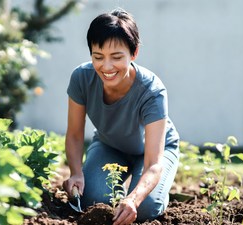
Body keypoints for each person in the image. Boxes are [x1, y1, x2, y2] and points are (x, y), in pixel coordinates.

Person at [63, 8, 180, 225]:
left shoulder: (152, 91)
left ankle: (159, 194)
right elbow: (75, 135)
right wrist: (76, 173)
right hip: (110, 145)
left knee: (144, 209)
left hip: (151, 153)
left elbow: (154, 163)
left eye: (116, 57)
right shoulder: (81, 78)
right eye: (98, 57)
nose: (106, 67)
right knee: (94, 201)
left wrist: (134, 199)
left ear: (133, 53)